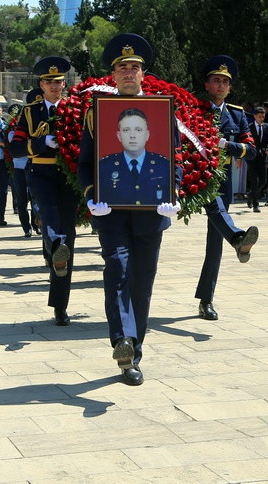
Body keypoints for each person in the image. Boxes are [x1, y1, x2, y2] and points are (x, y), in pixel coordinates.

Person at [78, 34, 182, 386]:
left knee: (143, 279)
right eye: (122, 67)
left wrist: (174, 191)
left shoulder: (161, 111)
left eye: (134, 67)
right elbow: (85, 162)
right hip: (113, 214)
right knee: (117, 269)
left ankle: (135, 349)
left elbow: (174, 159)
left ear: (142, 74)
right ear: (113, 74)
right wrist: (92, 194)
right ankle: (123, 342)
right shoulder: (97, 113)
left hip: (151, 213)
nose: (128, 72)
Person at [10, 56, 79, 327]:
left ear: (65, 84)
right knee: (49, 217)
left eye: (58, 82)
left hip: (68, 175)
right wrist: (40, 143)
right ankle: (54, 245)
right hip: (41, 173)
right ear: (41, 84)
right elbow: (15, 148)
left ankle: (60, 306)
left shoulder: (75, 108)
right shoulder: (30, 112)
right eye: (49, 82)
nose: (54, 86)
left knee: (68, 239)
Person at [193, 55, 258, 322]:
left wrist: (225, 145)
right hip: (196, 176)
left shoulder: (237, 115)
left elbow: (252, 150)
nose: (220, 86)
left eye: (225, 82)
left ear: (229, 88)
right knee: (216, 210)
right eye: (216, 81)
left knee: (214, 241)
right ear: (207, 84)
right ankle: (238, 238)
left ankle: (206, 300)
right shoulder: (193, 109)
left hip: (223, 179)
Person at [97, 107, 171, 205]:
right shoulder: (104, 166)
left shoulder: (164, 165)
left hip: (154, 219)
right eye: (126, 130)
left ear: (147, 135)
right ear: (119, 136)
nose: (132, 135)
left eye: (138, 130)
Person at [9, 89, 42, 237]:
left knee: (35, 197)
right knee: (22, 200)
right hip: (19, 170)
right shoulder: (12, 132)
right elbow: (17, 148)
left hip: (32, 167)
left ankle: (38, 222)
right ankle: (26, 227)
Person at [246, 106, 268, 212]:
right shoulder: (249, 127)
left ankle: (251, 194)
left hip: (262, 157)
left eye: (263, 116)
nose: (261, 119)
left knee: (263, 181)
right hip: (252, 157)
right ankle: (256, 205)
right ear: (255, 116)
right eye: (260, 116)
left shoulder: (267, 127)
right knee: (254, 181)